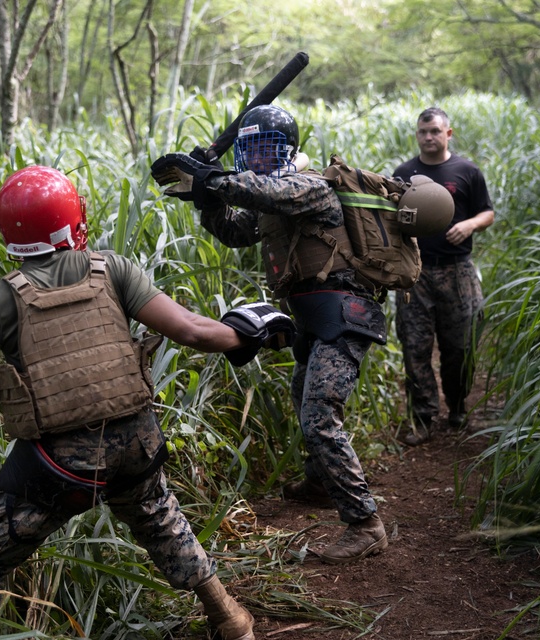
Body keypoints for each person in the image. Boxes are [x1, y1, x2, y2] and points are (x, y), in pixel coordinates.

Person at [0, 165, 296, 640]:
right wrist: (249, 332)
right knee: (159, 516)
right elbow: (194, 332)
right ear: (72, 221)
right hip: (136, 445)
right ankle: (230, 619)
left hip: (58, 467)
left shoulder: (0, 298)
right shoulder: (111, 269)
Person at [150, 105, 390, 565]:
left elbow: (266, 192)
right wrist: (208, 199)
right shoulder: (269, 199)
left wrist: (211, 178)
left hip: (344, 312)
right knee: (306, 397)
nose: (259, 159)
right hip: (313, 317)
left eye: (269, 149)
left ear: (290, 151)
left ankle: (365, 523)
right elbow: (234, 231)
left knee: (320, 414)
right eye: (251, 150)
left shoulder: (309, 186)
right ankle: (322, 484)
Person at [392, 107, 495, 446]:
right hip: (416, 272)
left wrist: (469, 225)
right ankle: (422, 418)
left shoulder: (466, 170)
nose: (428, 137)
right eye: (423, 132)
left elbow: (487, 212)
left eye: (435, 131)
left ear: (448, 133)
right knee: (415, 347)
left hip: (457, 271)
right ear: (417, 134)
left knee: (460, 347)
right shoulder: (404, 172)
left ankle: (458, 406)